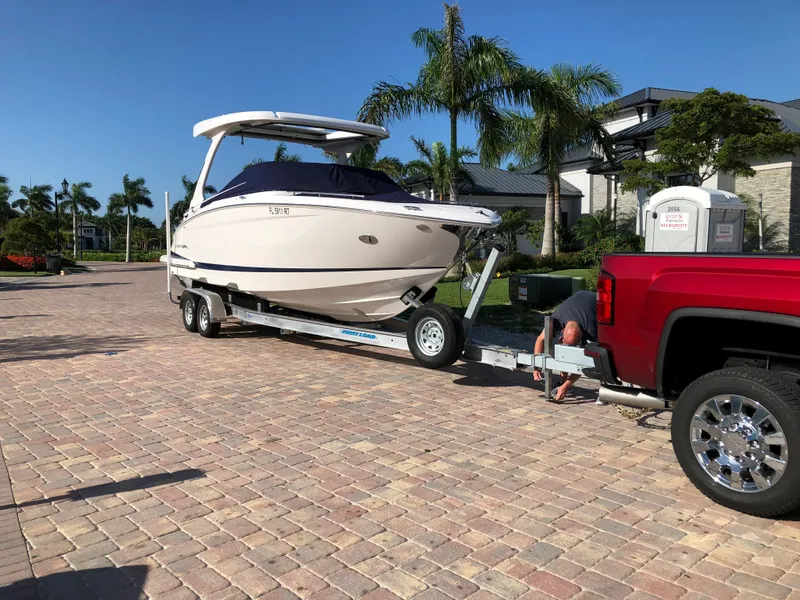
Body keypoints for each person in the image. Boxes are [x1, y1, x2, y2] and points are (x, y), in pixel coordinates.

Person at [532, 290, 602, 402]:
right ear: (563, 330)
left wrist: (567, 385)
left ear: (581, 335)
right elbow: (540, 340)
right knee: (563, 350)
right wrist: (536, 366)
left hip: (598, 302)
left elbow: (585, 362)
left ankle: (606, 388)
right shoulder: (557, 318)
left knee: (601, 357)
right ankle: (562, 381)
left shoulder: (591, 330)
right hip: (578, 300)